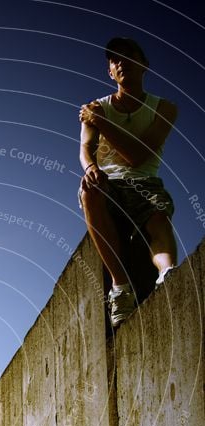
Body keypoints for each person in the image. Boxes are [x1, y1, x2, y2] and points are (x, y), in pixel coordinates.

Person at [78, 37, 177, 327]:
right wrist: (92, 168)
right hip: (110, 183)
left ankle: (168, 274)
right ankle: (120, 288)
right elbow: (85, 149)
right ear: (110, 72)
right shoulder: (97, 107)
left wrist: (101, 121)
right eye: (114, 60)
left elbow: (136, 156)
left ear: (144, 65)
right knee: (88, 191)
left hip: (145, 181)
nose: (121, 63)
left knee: (157, 214)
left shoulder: (165, 108)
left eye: (129, 56)